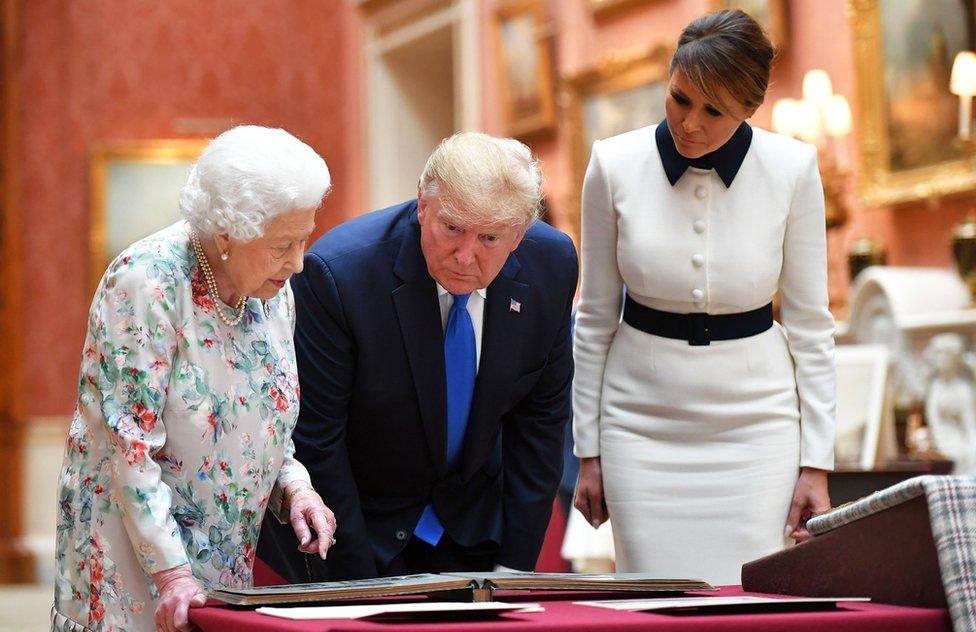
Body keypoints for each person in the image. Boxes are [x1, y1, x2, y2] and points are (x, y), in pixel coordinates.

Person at [572, 9, 836, 585]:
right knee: (656, 604)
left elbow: (813, 326)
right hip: (640, 426)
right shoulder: (612, 165)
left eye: (714, 110)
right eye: (679, 98)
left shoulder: (793, 169)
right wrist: (587, 453)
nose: (690, 124)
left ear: (750, 109)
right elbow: (593, 319)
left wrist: (816, 463)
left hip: (757, 427)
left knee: (748, 601)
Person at [52, 125, 338, 632]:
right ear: (226, 233)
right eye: (282, 245)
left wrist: (295, 488)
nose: (297, 262)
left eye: (305, 240)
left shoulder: (273, 292)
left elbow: (269, 419)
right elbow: (129, 445)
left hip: (222, 572)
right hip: (133, 573)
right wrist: (172, 574)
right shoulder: (147, 282)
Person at [258, 132, 578, 581]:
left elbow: (541, 421)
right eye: (451, 229)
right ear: (422, 206)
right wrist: (358, 587)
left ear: (519, 234)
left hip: (473, 527)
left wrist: (514, 571)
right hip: (359, 524)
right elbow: (319, 439)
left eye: (489, 237)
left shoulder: (553, 264)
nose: (466, 256)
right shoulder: (340, 274)